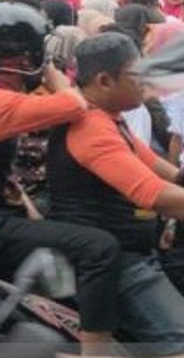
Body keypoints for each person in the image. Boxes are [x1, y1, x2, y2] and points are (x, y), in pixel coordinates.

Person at [0, 3, 123, 353]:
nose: (45, 58)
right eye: (40, 51)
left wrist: (29, 209)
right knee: (101, 248)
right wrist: (50, 71)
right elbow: (76, 103)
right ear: (21, 57)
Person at [48, 33, 184, 354]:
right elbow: (153, 194)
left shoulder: (111, 119)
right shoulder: (91, 128)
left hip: (138, 250)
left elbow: (157, 168)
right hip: (119, 262)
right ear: (105, 81)